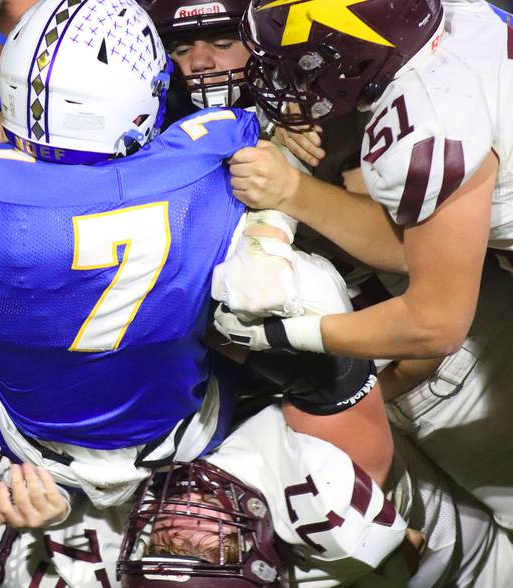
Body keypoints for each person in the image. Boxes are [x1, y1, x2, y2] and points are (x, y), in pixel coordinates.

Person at [0, 0, 392, 515]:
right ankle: (356, 489)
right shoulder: (204, 155)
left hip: (32, 449)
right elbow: (265, 138)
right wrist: (267, 229)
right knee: (296, 284)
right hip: (183, 434)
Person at [216, 0, 510, 363]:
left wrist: (279, 335)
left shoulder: (433, 122)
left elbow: (433, 325)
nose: (284, 81)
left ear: (355, 59)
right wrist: (305, 94)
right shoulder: (433, 21)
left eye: (298, 64)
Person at [121, 402, 513, 588]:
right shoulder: (329, 514)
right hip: (473, 572)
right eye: (198, 546)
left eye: (159, 546)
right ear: (258, 559)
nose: (177, 522)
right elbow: (331, 368)